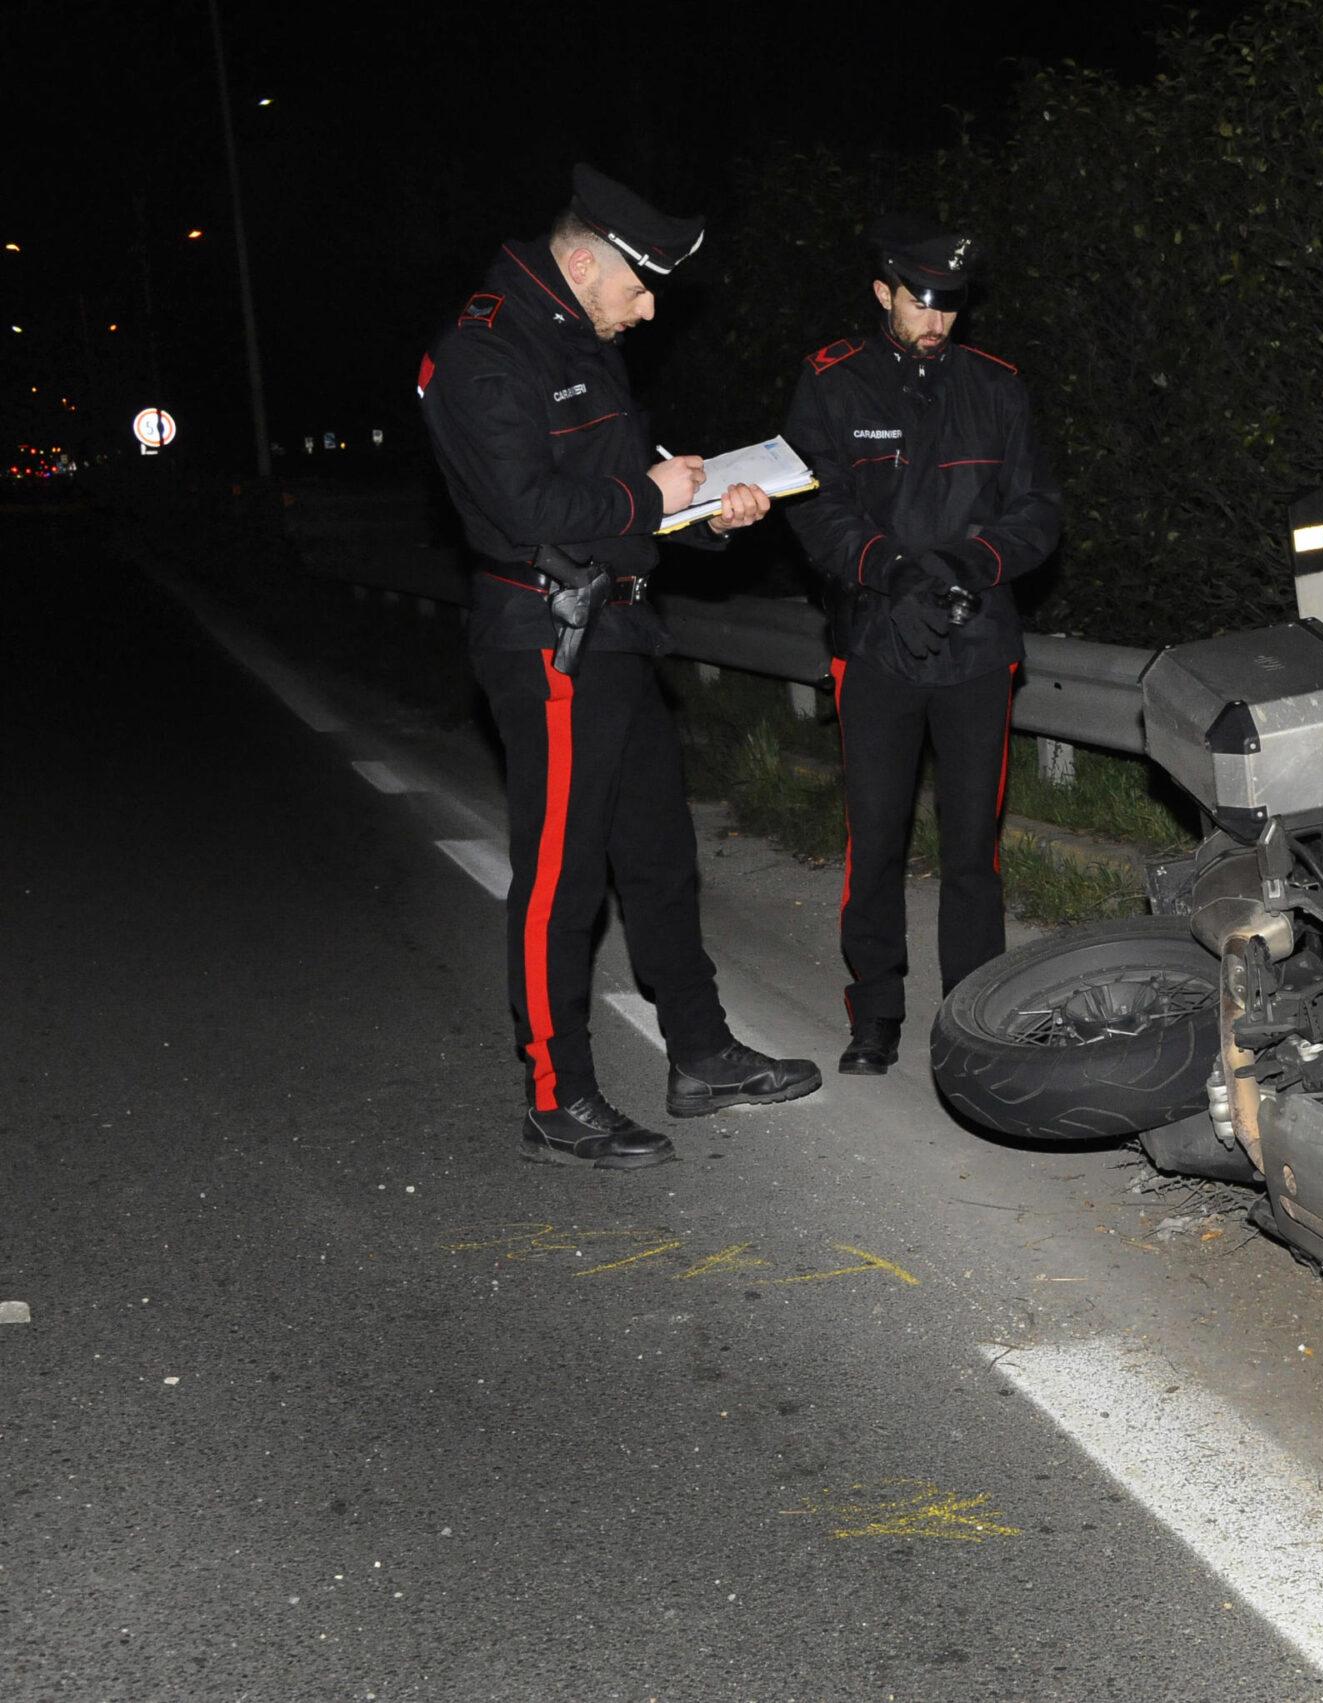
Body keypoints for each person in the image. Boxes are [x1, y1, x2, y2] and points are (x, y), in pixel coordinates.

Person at [418, 163, 821, 1168]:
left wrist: (707, 507)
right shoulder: (484, 353)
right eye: (639, 289)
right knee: (562, 879)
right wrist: (648, 494)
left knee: (659, 861)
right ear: (587, 260)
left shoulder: (576, 334)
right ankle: (559, 1097)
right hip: (550, 643)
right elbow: (529, 515)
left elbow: (619, 492)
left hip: (622, 631)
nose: (648, 312)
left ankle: (701, 1055)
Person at [783, 220, 1062, 1074]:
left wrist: (970, 564)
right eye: (919, 302)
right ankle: (874, 1014)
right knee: (875, 835)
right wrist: (892, 573)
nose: (936, 320)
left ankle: (973, 1024)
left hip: (977, 644)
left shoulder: (998, 387)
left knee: (972, 844)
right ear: (884, 295)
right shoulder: (833, 383)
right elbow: (812, 504)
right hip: (875, 642)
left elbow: (1039, 510)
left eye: (950, 304)